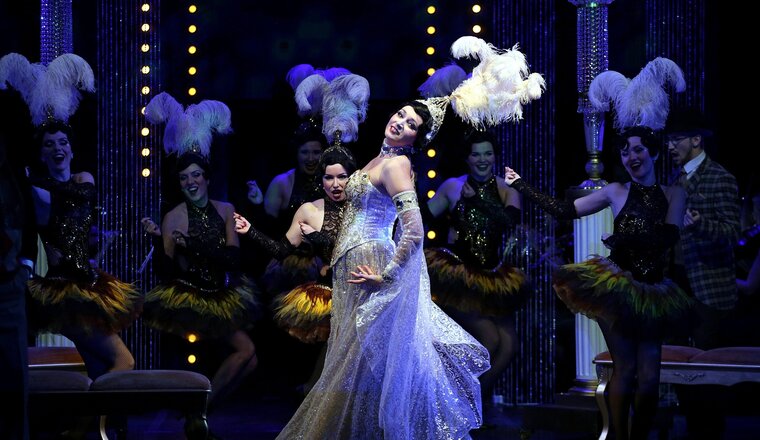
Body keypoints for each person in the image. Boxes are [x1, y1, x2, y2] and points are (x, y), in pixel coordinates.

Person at [276, 101, 490, 439]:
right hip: (352, 265)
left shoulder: (397, 165)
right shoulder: (380, 159)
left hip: (371, 265)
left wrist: (387, 275)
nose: (401, 122)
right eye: (401, 114)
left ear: (416, 138)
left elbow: (414, 230)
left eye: (412, 124)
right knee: (353, 365)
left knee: (360, 367)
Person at [505, 124, 691, 440]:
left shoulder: (675, 193)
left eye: (638, 149)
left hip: (654, 293)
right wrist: (520, 185)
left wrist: (621, 238)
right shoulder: (616, 191)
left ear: (655, 153)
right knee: (625, 369)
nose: (631, 157)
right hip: (615, 290)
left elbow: (668, 237)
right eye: (625, 151)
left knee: (649, 379)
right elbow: (564, 210)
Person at [141, 93, 259, 416]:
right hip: (190, 299)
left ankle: (201, 413)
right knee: (244, 351)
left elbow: (233, 259)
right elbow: (165, 271)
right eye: (184, 177)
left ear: (207, 178)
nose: (190, 182)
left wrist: (192, 245)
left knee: (250, 360)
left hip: (222, 295)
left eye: (195, 175)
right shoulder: (173, 216)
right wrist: (159, 242)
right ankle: (199, 414)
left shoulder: (225, 210)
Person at [423, 130, 529, 420]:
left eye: (487, 154)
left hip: (493, 277)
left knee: (509, 346)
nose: (482, 160)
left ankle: (468, 405)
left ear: (495, 157)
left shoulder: (507, 189)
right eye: (476, 154)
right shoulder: (452, 186)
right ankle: (466, 408)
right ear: (467, 159)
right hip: (459, 276)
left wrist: (477, 201)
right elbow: (422, 218)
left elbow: (509, 221)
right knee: (490, 340)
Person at [235, 146, 357, 395]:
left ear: (352, 178)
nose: (335, 184)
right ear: (321, 179)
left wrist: (318, 238)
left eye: (342, 177)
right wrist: (250, 231)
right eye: (329, 177)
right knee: (334, 357)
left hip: (360, 290)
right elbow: (281, 251)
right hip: (333, 295)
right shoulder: (309, 211)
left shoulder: (363, 208)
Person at [26, 121, 140, 380]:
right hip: (64, 294)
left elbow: (78, 197)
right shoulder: (38, 193)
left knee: (99, 367)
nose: (58, 148)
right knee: (125, 361)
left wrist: (32, 177)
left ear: (72, 150)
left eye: (63, 142)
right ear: (42, 154)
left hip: (90, 285)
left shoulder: (83, 179)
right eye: (49, 144)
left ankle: (93, 407)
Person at [666, 108, 742, 349]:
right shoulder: (676, 177)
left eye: (676, 140)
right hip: (677, 286)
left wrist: (702, 224)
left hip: (708, 290)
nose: (670, 146)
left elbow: (733, 233)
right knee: (677, 355)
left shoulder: (719, 178)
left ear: (696, 140)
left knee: (706, 358)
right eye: (668, 140)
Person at [1, 134, 36, 440]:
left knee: (14, 381)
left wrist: (25, 266)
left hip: (9, 284)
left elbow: (27, 215)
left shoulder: (10, 166)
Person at [262, 122, 326, 221]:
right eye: (304, 152)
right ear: (297, 153)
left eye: (316, 152)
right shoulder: (281, 183)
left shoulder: (332, 180)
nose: (310, 158)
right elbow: (266, 225)